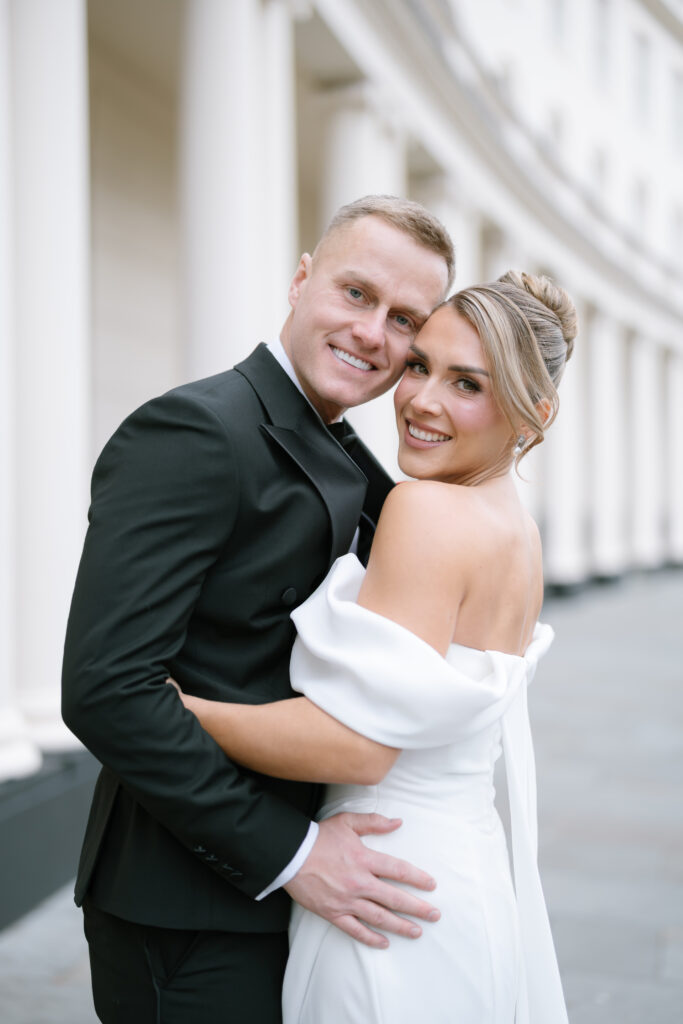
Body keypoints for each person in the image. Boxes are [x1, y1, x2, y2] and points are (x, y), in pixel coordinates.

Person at [61, 195, 454, 1024]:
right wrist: (293, 854)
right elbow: (107, 688)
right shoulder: (195, 431)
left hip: (285, 896)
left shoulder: (343, 444)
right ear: (301, 279)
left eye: (403, 319)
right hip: (188, 904)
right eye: (355, 294)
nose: (372, 333)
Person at [168, 271, 576, 1023]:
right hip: (464, 884)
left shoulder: (425, 510)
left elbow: (355, 750)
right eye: (419, 365)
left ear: (533, 415)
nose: (420, 400)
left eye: (466, 384)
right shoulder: (515, 529)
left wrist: (178, 707)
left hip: (383, 885)